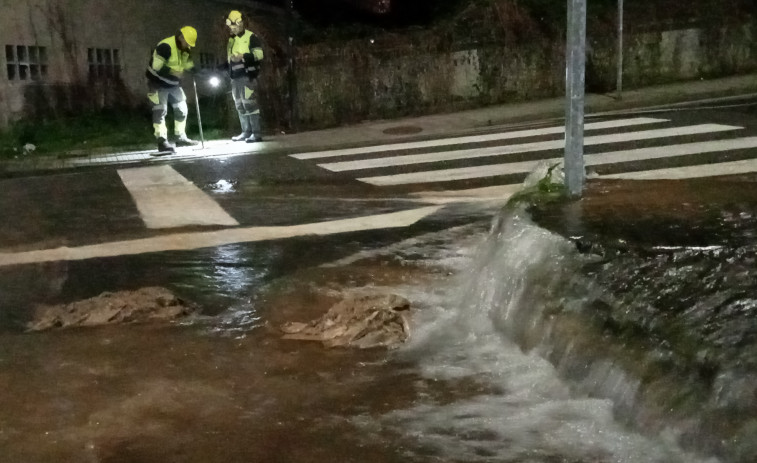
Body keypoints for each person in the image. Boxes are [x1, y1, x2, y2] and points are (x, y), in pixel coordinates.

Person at [145, 26, 200, 153]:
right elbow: (156, 66)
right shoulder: (165, 46)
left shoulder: (186, 49)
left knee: (182, 109)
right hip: (157, 83)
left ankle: (180, 137)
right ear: (181, 37)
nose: (188, 45)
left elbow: (188, 64)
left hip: (173, 84)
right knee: (160, 111)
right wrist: (173, 71)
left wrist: (197, 71)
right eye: (187, 42)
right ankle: (162, 142)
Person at [225, 10, 264, 143]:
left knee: (250, 104)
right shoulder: (231, 40)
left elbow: (259, 55)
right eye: (231, 27)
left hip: (247, 77)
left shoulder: (251, 37)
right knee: (240, 105)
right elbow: (230, 59)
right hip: (235, 78)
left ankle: (256, 133)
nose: (232, 29)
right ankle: (246, 132)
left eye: (234, 26)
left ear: (241, 23)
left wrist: (242, 56)